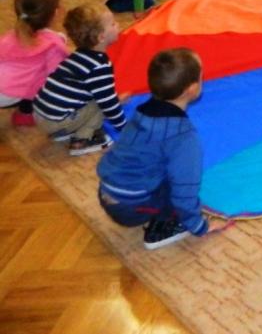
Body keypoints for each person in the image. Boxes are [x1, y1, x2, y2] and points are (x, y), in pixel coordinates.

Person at [96, 48, 230, 249]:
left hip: (106, 192)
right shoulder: (183, 136)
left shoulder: (142, 111)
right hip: (132, 207)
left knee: (160, 163)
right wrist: (199, 226)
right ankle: (162, 228)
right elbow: (185, 189)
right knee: (179, 184)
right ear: (192, 89)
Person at [33, 4, 128, 156]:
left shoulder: (77, 56)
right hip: (56, 121)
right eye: (113, 24)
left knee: (93, 97)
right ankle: (82, 141)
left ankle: (63, 131)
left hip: (40, 114)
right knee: (99, 103)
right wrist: (124, 127)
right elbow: (108, 104)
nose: (118, 24)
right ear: (101, 37)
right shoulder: (99, 66)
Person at [0, 0, 68, 127]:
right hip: (7, 93)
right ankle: (25, 114)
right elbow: (57, 76)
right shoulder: (53, 45)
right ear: (55, 12)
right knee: (46, 79)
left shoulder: (11, 35)